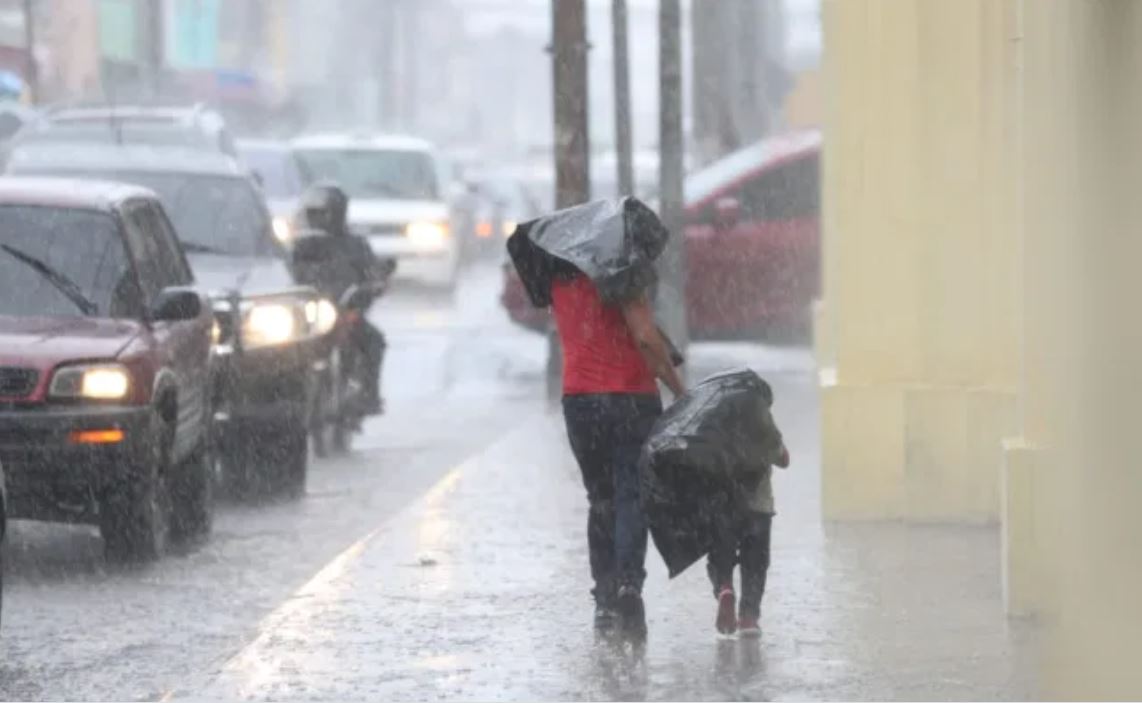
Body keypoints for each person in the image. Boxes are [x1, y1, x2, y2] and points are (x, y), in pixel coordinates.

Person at [550, 258, 686, 641]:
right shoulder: (623, 274)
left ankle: (604, 603)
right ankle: (629, 586)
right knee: (631, 494)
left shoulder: (559, 283)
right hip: (631, 397)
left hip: (579, 401)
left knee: (600, 498)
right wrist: (678, 387)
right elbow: (645, 338)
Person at [298, 182, 387, 415]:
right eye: (314, 214)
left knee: (374, 342)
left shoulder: (355, 244)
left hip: (346, 313)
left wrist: (374, 284)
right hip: (309, 318)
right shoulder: (300, 246)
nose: (318, 219)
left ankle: (369, 394)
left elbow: (373, 271)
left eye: (323, 213)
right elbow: (284, 272)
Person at [707, 394, 790, 637]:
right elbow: (784, 460)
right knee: (756, 563)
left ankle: (724, 587)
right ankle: (749, 617)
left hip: (723, 506)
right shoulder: (763, 429)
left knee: (719, 554)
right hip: (759, 508)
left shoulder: (713, 430)